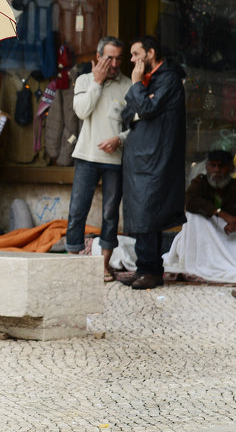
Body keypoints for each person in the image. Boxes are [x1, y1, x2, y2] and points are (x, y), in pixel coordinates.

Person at [120, 35, 186, 289]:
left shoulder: (168, 78)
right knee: (141, 213)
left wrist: (137, 88)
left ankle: (151, 270)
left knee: (149, 212)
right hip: (142, 157)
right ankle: (144, 268)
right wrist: (140, 99)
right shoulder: (150, 80)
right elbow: (128, 114)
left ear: (151, 53)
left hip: (157, 157)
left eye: (136, 54)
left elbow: (146, 110)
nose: (133, 60)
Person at [65, 36, 130, 280]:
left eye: (118, 58)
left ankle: (104, 264)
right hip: (87, 155)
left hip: (116, 158)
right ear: (98, 58)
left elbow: (137, 125)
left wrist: (119, 139)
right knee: (77, 210)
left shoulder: (128, 85)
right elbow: (82, 111)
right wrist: (98, 82)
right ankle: (74, 263)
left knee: (111, 213)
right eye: (109, 58)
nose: (114, 63)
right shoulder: (84, 80)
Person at [163, 149, 236, 282]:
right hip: (206, 234)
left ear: (231, 168)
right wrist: (220, 213)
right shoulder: (200, 182)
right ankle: (204, 261)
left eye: (221, 166)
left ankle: (220, 262)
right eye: (213, 166)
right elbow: (190, 202)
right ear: (207, 167)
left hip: (229, 236)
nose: (217, 170)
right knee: (193, 216)